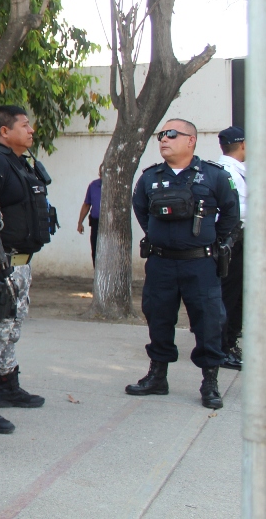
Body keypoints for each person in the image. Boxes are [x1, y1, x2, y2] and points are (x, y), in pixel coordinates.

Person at [127, 119, 239, 410]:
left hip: (200, 264)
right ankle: (157, 376)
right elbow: (140, 209)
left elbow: (230, 213)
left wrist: (216, 243)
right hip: (161, 263)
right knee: (159, 318)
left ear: (191, 140)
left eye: (172, 134)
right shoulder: (150, 177)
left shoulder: (214, 176)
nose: (164, 139)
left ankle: (210, 381)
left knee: (209, 322)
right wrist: (159, 236)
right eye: (162, 134)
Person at [0, 106, 54, 435]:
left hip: (20, 264)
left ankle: (8, 383)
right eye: (25, 125)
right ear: (5, 131)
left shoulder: (19, 163)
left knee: (11, 327)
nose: (31, 130)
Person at [216, 126, 246, 370]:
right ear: (243, 144)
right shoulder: (227, 172)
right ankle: (223, 347)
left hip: (239, 239)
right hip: (231, 240)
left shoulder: (235, 171)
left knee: (236, 295)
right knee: (228, 295)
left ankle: (230, 342)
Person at [78, 166, 103, 265]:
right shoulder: (93, 185)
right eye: (101, 174)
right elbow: (86, 204)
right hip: (96, 223)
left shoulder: (116, 186)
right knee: (95, 250)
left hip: (111, 224)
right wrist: (80, 223)